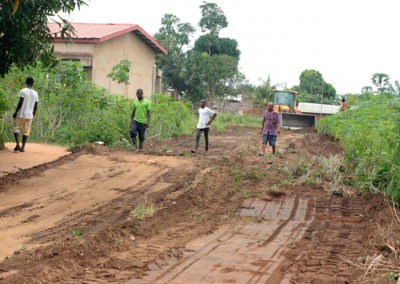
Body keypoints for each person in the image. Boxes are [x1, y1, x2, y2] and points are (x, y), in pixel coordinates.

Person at [12, 77, 39, 152]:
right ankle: (23, 147)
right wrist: (33, 113)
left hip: (20, 114)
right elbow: (36, 105)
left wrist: (15, 112)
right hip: (29, 115)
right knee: (26, 130)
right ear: (32, 84)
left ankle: (17, 144)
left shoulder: (23, 91)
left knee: (16, 128)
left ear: (26, 83)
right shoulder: (35, 93)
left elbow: (20, 102)